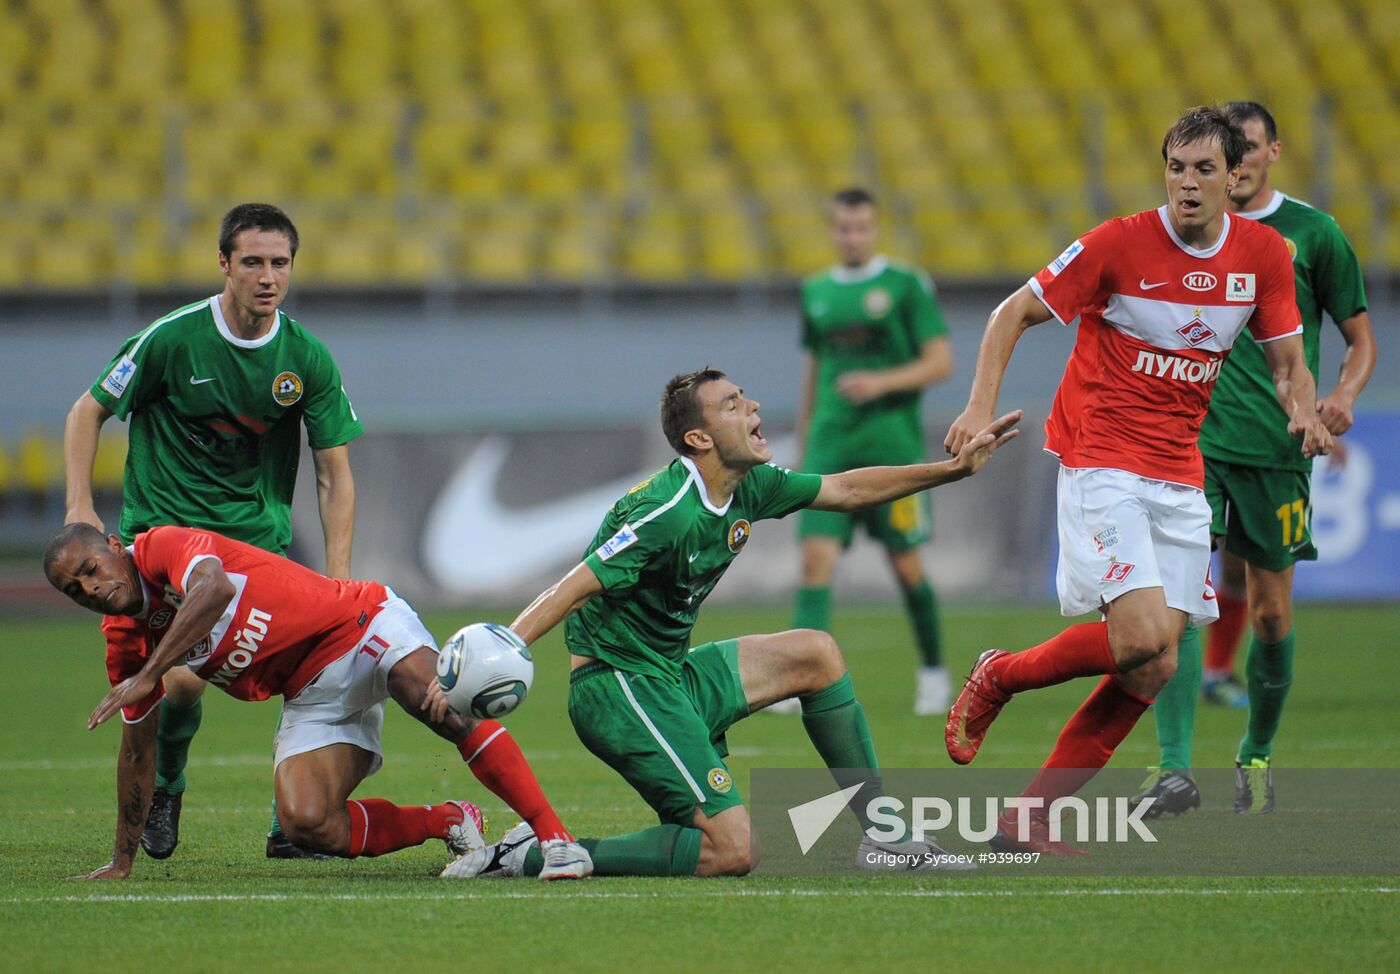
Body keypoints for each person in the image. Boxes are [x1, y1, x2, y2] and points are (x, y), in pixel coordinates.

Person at [430, 368, 1019, 878]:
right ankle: (536, 854)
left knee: (815, 654)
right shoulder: (667, 510)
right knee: (733, 850)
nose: (754, 407)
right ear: (699, 437)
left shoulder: (750, 484)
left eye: (746, 397)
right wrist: (504, 647)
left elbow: (843, 488)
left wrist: (950, 471)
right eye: (733, 404)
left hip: (671, 677)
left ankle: (885, 838)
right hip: (617, 687)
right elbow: (576, 584)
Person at [942, 106, 1332, 854]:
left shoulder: (1265, 256)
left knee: (1153, 666)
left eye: (1204, 170)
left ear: (1235, 176)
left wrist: (1304, 411)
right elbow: (1011, 311)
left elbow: (1288, 360)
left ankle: (1026, 819)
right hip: (1102, 460)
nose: (1187, 184)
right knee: (1149, 636)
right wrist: (978, 404)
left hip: (1181, 471)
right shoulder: (1117, 245)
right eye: (1176, 168)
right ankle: (1001, 676)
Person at [43, 522, 590, 880]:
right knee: (306, 822)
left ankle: (555, 839)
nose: (89, 589)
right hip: (309, 692)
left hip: (359, 625)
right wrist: (121, 859)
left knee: (437, 703)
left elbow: (213, 589)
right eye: (74, 589)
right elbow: (138, 754)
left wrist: (154, 672)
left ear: (114, 546)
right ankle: (449, 821)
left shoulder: (161, 548)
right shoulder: (123, 643)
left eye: (90, 570)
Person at [63, 203, 360, 860]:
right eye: (252, 261)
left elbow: (334, 474)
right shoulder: (172, 339)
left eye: (279, 263)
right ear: (223, 264)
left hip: (254, 547)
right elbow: (88, 410)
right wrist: (79, 507)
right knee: (185, 681)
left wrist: (337, 577)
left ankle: (297, 818)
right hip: (162, 546)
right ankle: (167, 783)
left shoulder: (305, 357)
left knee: (322, 670)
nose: (267, 276)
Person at [1138, 101, 1376, 815]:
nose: (1232, 165)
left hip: (1276, 452)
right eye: (1220, 154)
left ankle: (1257, 754)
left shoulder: (1311, 235)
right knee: (1177, 605)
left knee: (1271, 616)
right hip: (1193, 445)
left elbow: (1359, 339)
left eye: (1241, 151)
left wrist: (1338, 399)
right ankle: (1172, 767)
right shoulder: (1188, 233)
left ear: (1270, 152)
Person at [785, 187, 956, 716]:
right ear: (831, 229)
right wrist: (805, 436)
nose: (852, 237)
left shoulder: (905, 285)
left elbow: (940, 362)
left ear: (874, 228)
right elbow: (815, 367)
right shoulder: (815, 291)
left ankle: (933, 671)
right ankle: (797, 677)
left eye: (861, 227)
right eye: (843, 228)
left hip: (892, 450)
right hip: (830, 447)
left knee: (906, 565)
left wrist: (881, 383)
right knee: (815, 560)